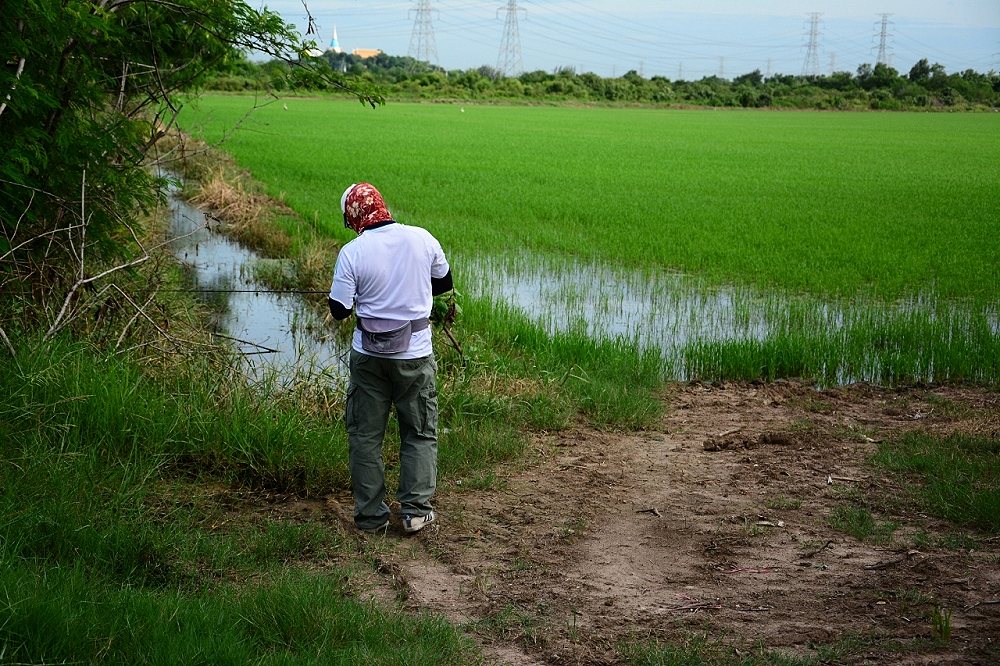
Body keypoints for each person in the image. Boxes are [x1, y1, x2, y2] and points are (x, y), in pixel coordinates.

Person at [328, 182, 453, 534]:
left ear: (353, 216)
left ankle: (371, 517)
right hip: (415, 355)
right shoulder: (422, 238)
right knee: (419, 431)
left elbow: (339, 310)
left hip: (369, 357)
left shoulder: (352, 252)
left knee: (365, 436)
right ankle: (415, 511)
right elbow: (443, 285)